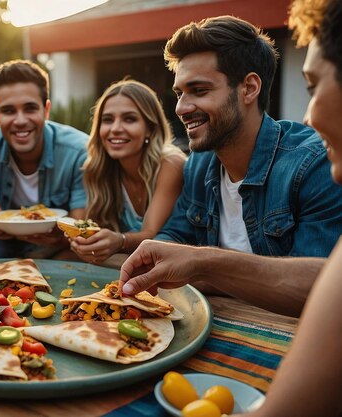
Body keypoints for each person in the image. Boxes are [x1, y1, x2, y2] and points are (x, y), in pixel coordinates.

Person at [119, 14, 342, 317]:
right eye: (179, 93)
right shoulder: (199, 163)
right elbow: (173, 238)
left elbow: (323, 292)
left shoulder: (314, 164)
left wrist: (204, 264)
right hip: (209, 322)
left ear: (249, 88)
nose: (181, 108)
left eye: (199, 90)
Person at [239, 1, 342, 415]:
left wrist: (200, 263)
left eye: (313, 86)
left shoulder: (306, 163)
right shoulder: (201, 167)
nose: (308, 116)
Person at [70, 79, 186, 265]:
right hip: (132, 267)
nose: (115, 129)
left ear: (150, 128)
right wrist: (86, 245)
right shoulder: (99, 169)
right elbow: (91, 230)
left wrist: (119, 242)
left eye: (129, 119)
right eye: (107, 120)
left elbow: (151, 235)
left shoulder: (170, 164)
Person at [0, 59, 88, 259]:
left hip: (61, 247)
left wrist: (60, 238)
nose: (20, 121)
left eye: (30, 108)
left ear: (46, 110)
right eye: (8, 111)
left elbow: (79, 228)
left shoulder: (78, 151)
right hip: (9, 244)